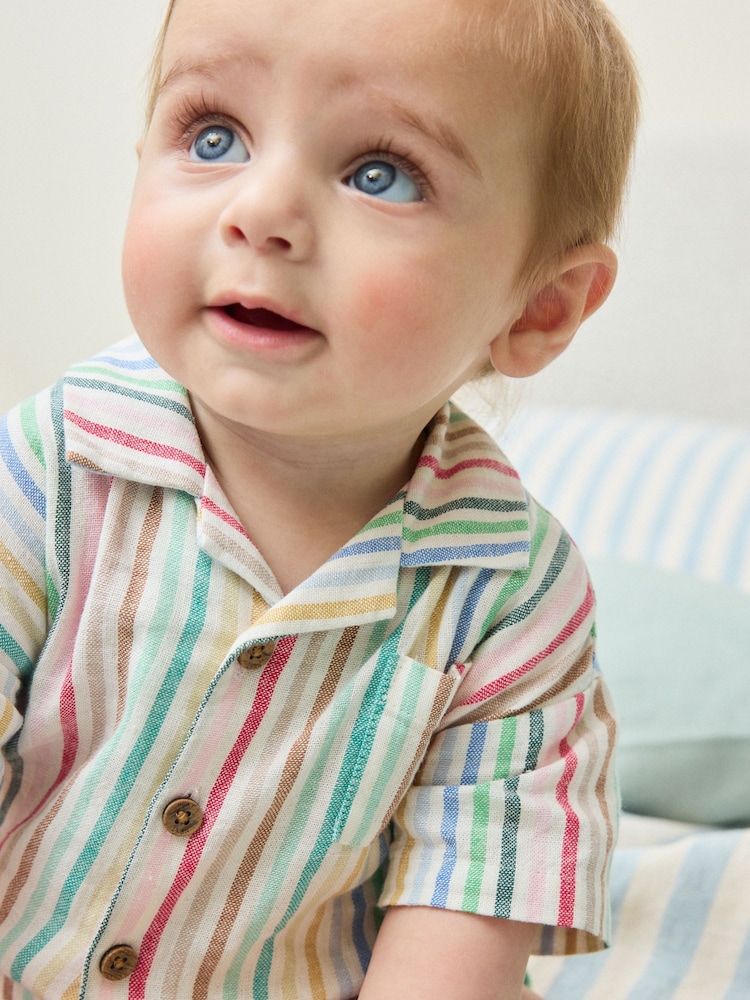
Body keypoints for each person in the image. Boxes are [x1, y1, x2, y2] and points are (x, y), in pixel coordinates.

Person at [0, 0, 639, 996]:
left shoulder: (516, 603)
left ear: (537, 306)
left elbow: (459, 932)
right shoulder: (48, 466)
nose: (258, 210)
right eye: (214, 135)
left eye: (380, 173)